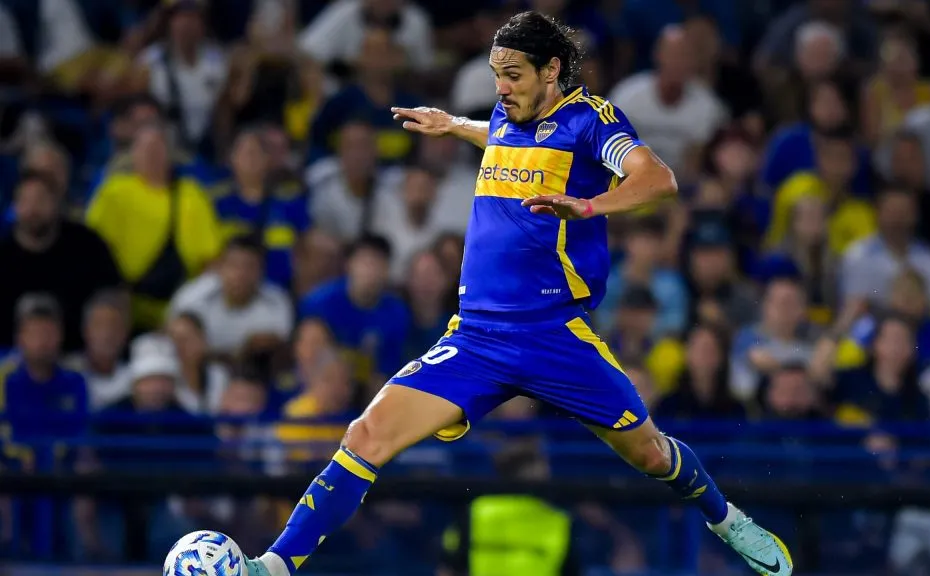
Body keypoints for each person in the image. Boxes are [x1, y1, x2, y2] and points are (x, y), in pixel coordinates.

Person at [238, 12, 792, 576]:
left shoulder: (590, 120)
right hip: (477, 336)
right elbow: (501, 137)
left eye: (512, 74)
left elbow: (658, 178)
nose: (501, 88)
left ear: (551, 69)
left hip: (552, 334)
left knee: (651, 454)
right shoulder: (507, 115)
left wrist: (590, 205)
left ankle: (727, 520)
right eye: (496, 73)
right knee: (367, 434)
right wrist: (453, 123)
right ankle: (273, 567)